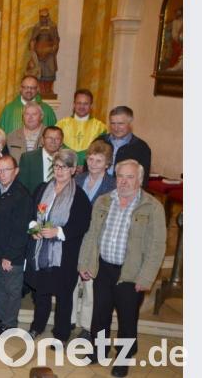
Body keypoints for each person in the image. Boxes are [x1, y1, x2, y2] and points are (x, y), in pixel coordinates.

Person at [78, 160, 166, 377]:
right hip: (103, 268)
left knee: (127, 319)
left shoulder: (152, 207)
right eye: (120, 176)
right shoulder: (103, 200)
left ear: (139, 180)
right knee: (100, 314)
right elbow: (91, 235)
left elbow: (157, 246)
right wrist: (85, 263)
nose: (124, 181)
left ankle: (123, 358)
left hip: (131, 273)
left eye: (130, 177)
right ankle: (99, 350)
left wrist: (146, 277)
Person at [25, 149, 92, 344]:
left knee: (64, 296)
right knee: (41, 293)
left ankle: (61, 334)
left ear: (73, 169)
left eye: (64, 167)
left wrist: (58, 232)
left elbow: (82, 224)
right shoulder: (42, 188)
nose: (59, 171)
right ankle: (37, 326)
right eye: (56, 166)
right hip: (40, 251)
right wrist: (34, 230)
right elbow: (31, 213)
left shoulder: (79, 196)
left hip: (64, 254)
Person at [0, 155, 32, 337]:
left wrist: (9, 255)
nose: (1, 174)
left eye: (6, 170)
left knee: (11, 289)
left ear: (16, 171)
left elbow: (21, 230)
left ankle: (10, 323)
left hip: (11, 254)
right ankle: (0, 316)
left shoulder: (21, 195)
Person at [72, 140, 116, 342]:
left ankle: (87, 326)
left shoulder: (112, 185)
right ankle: (70, 319)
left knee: (89, 284)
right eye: (90, 159)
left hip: (97, 240)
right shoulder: (77, 179)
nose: (93, 164)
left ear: (107, 163)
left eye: (99, 161)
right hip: (75, 237)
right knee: (72, 282)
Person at [97, 106, 152, 187]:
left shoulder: (141, 148)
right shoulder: (100, 141)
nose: (116, 128)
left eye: (120, 124)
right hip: (97, 188)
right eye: (113, 123)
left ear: (130, 124)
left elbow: (142, 180)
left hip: (125, 190)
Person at [56, 89, 107, 167]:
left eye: (85, 104)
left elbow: (102, 153)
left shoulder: (100, 127)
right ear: (74, 104)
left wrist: (85, 167)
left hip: (90, 168)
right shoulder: (61, 125)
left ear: (91, 105)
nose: (82, 106)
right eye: (79, 103)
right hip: (65, 167)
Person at [18, 126, 65, 193]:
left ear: (61, 142)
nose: (53, 141)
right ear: (42, 140)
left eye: (57, 139)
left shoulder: (66, 160)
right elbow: (22, 187)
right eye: (49, 138)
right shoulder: (28, 158)